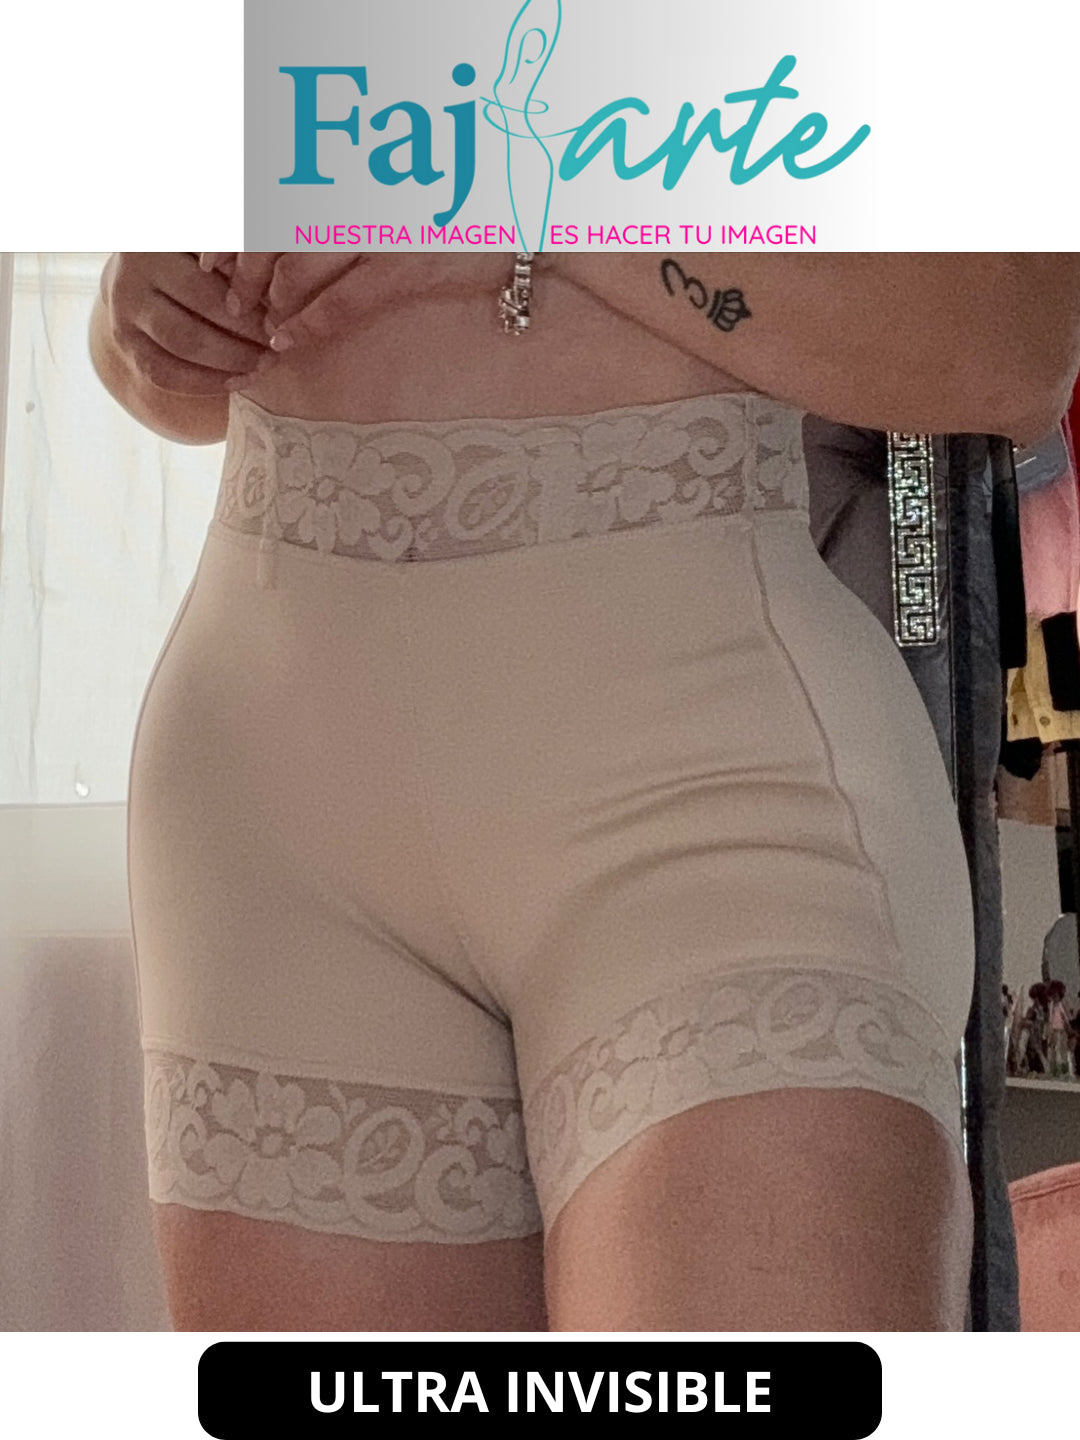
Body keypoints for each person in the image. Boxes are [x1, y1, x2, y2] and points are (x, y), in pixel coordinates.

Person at [91, 251, 1080, 1332]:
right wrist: (143, 322)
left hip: (716, 788)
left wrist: (523, 200)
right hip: (278, 791)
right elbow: (172, 362)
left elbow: (1014, 351)